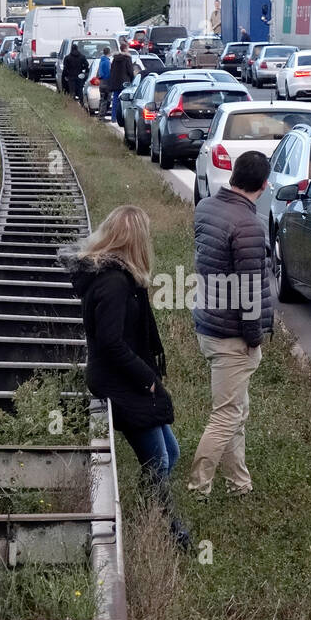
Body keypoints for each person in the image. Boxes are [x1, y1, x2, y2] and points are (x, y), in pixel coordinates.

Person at [65, 206, 192, 550]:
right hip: (118, 380)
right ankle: (166, 527)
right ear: (134, 240)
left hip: (124, 376)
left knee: (171, 453)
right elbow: (110, 341)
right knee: (159, 459)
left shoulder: (116, 277)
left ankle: (148, 514)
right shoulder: (114, 283)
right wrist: (147, 378)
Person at [187, 151, 274, 496]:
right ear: (264, 186)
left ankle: (239, 485)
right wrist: (254, 338)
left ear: (235, 174)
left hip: (208, 324)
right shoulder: (250, 225)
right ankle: (198, 489)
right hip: (232, 335)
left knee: (236, 410)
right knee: (225, 416)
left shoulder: (207, 207)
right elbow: (250, 291)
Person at [108, 44, 135, 125]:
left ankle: (114, 118)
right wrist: (132, 79)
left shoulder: (115, 59)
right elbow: (130, 70)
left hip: (116, 82)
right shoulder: (127, 58)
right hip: (125, 82)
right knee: (124, 101)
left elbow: (112, 70)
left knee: (115, 100)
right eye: (127, 48)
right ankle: (123, 118)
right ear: (125, 49)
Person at [97, 47, 113, 116]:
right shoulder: (107, 62)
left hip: (101, 83)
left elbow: (98, 73)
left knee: (102, 99)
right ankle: (101, 115)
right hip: (106, 83)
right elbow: (108, 73)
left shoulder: (101, 61)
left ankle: (100, 113)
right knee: (106, 100)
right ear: (109, 53)